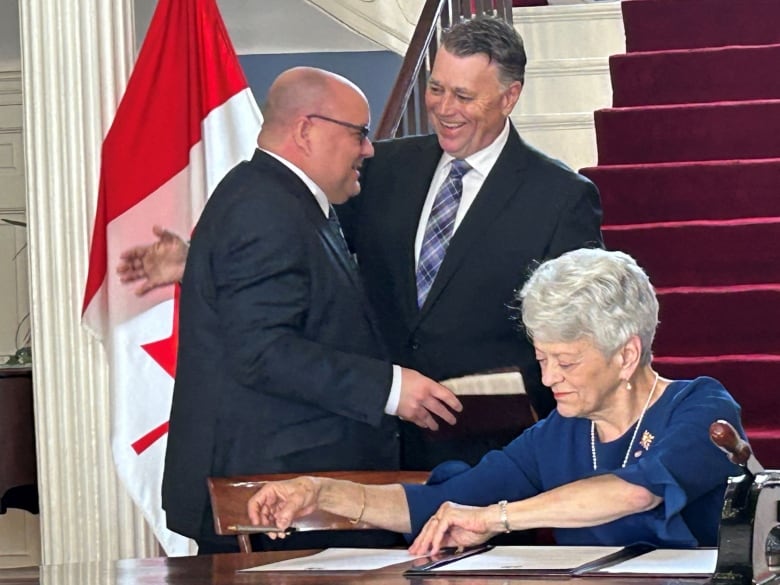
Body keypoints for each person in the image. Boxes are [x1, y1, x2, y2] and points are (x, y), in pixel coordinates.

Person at [118, 17, 604, 469]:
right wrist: (201, 260)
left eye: (464, 95)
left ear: (509, 96)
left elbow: (575, 330)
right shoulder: (378, 169)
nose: (444, 108)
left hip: (486, 453)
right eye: (435, 88)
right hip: (365, 441)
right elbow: (298, 252)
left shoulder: (560, 198)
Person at [245, 248, 745, 552]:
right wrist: (320, 491)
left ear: (626, 353)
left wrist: (495, 519)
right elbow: (443, 503)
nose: (549, 378)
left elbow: (637, 491)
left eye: (565, 362)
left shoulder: (701, 408)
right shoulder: (559, 433)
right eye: (541, 358)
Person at [161, 66, 462, 554]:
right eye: (359, 134)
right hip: (272, 500)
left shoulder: (284, 199)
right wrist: (387, 387)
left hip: (294, 488)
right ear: (306, 129)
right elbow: (260, 350)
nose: (368, 149)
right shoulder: (264, 207)